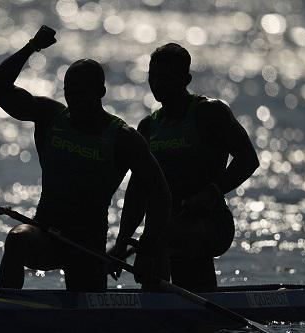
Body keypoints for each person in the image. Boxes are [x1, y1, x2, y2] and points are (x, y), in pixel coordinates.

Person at [0, 26, 172, 292]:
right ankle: (6, 311)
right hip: (46, 234)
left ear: (101, 93)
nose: (75, 101)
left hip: (88, 246)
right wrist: (31, 47)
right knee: (17, 239)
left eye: (83, 94)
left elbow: (159, 192)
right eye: (70, 93)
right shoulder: (50, 117)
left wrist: (141, 246)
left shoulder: (122, 137)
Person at [111, 43, 259, 292]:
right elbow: (138, 189)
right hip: (162, 228)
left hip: (208, 221)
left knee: (167, 240)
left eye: (167, 78)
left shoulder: (210, 112)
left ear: (186, 79)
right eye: (153, 77)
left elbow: (248, 160)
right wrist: (121, 242)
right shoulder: (148, 126)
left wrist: (212, 191)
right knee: (153, 244)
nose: (158, 84)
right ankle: (160, 308)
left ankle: (197, 313)